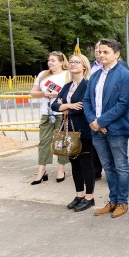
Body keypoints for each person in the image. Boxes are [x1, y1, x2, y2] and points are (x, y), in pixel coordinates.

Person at [83, 38, 129, 218]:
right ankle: (112, 200)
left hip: (116, 129)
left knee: (121, 166)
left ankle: (123, 202)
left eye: (106, 52)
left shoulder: (125, 75)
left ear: (117, 54)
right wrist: (93, 122)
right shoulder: (95, 75)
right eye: (99, 51)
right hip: (96, 129)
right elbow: (87, 101)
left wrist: (102, 122)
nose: (101, 55)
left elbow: (123, 104)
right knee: (108, 167)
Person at [51, 54, 96, 212]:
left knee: (86, 163)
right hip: (68, 131)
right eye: (71, 62)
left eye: (77, 62)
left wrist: (64, 106)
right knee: (74, 164)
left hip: (84, 130)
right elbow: (54, 106)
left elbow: (83, 106)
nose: (73, 64)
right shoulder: (66, 86)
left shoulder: (89, 85)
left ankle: (89, 197)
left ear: (84, 66)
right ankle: (79, 194)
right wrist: (68, 106)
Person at [30, 51, 70, 185]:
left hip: (61, 112)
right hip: (46, 112)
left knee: (61, 141)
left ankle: (61, 168)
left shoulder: (67, 74)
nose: (50, 63)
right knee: (44, 142)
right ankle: (42, 170)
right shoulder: (43, 75)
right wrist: (44, 93)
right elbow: (33, 92)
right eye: (49, 60)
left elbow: (72, 92)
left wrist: (57, 94)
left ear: (61, 62)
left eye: (53, 60)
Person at [89, 42, 103, 180]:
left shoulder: (121, 66)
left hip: (110, 117)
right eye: (97, 49)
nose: (99, 52)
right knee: (94, 147)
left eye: (102, 49)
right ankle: (95, 171)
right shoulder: (90, 67)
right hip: (92, 114)